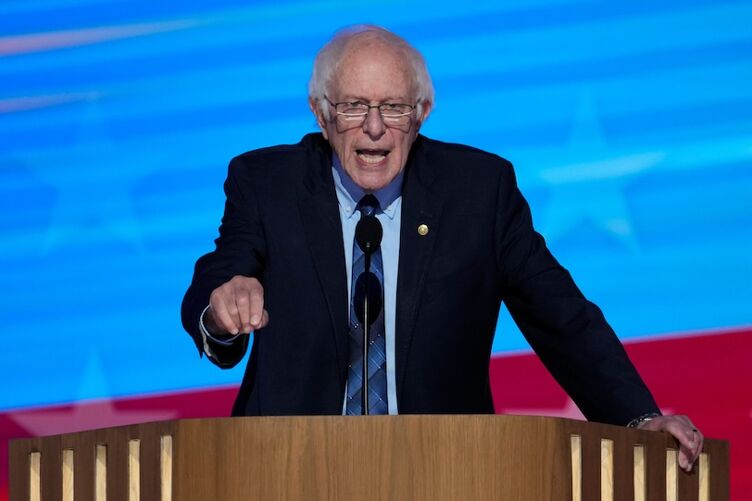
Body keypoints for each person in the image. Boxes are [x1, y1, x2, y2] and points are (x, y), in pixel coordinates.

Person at [182, 24, 702, 471]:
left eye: (393, 106)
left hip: (443, 470)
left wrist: (639, 418)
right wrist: (221, 310)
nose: (374, 127)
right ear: (321, 115)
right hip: (285, 469)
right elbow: (223, 273)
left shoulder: (479, 191)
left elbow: (562, 317)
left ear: (423, 112)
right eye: (354, 106)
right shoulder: (268, 182)